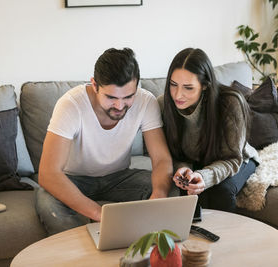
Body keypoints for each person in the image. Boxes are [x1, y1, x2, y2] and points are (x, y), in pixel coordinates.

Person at [36, 48, 173, 235]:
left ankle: (148, 250)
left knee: (170, 190)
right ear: (94, 85)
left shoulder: (145, 101)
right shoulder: (71, 105)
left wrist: (159, 194)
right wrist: (98, 213)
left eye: (128, 97)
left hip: (119, 178)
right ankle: (84, 256)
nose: (119, 106)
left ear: (136, 87)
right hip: (74, 180)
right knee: (47, 202)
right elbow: (48, 173)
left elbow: (161, 160)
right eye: (111, 97)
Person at [158, 48, 259, 212]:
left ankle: (229, 237)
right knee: (186, 189)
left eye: (188, 88)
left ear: (204, 85)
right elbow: (171, 154)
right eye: (173, 85)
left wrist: (205, 176)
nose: (178, 95)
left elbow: (233, 159)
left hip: (237, 159)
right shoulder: (164, 105)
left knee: (221, 192)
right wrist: (182, 169)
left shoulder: (230, 103)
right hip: (199, 161)